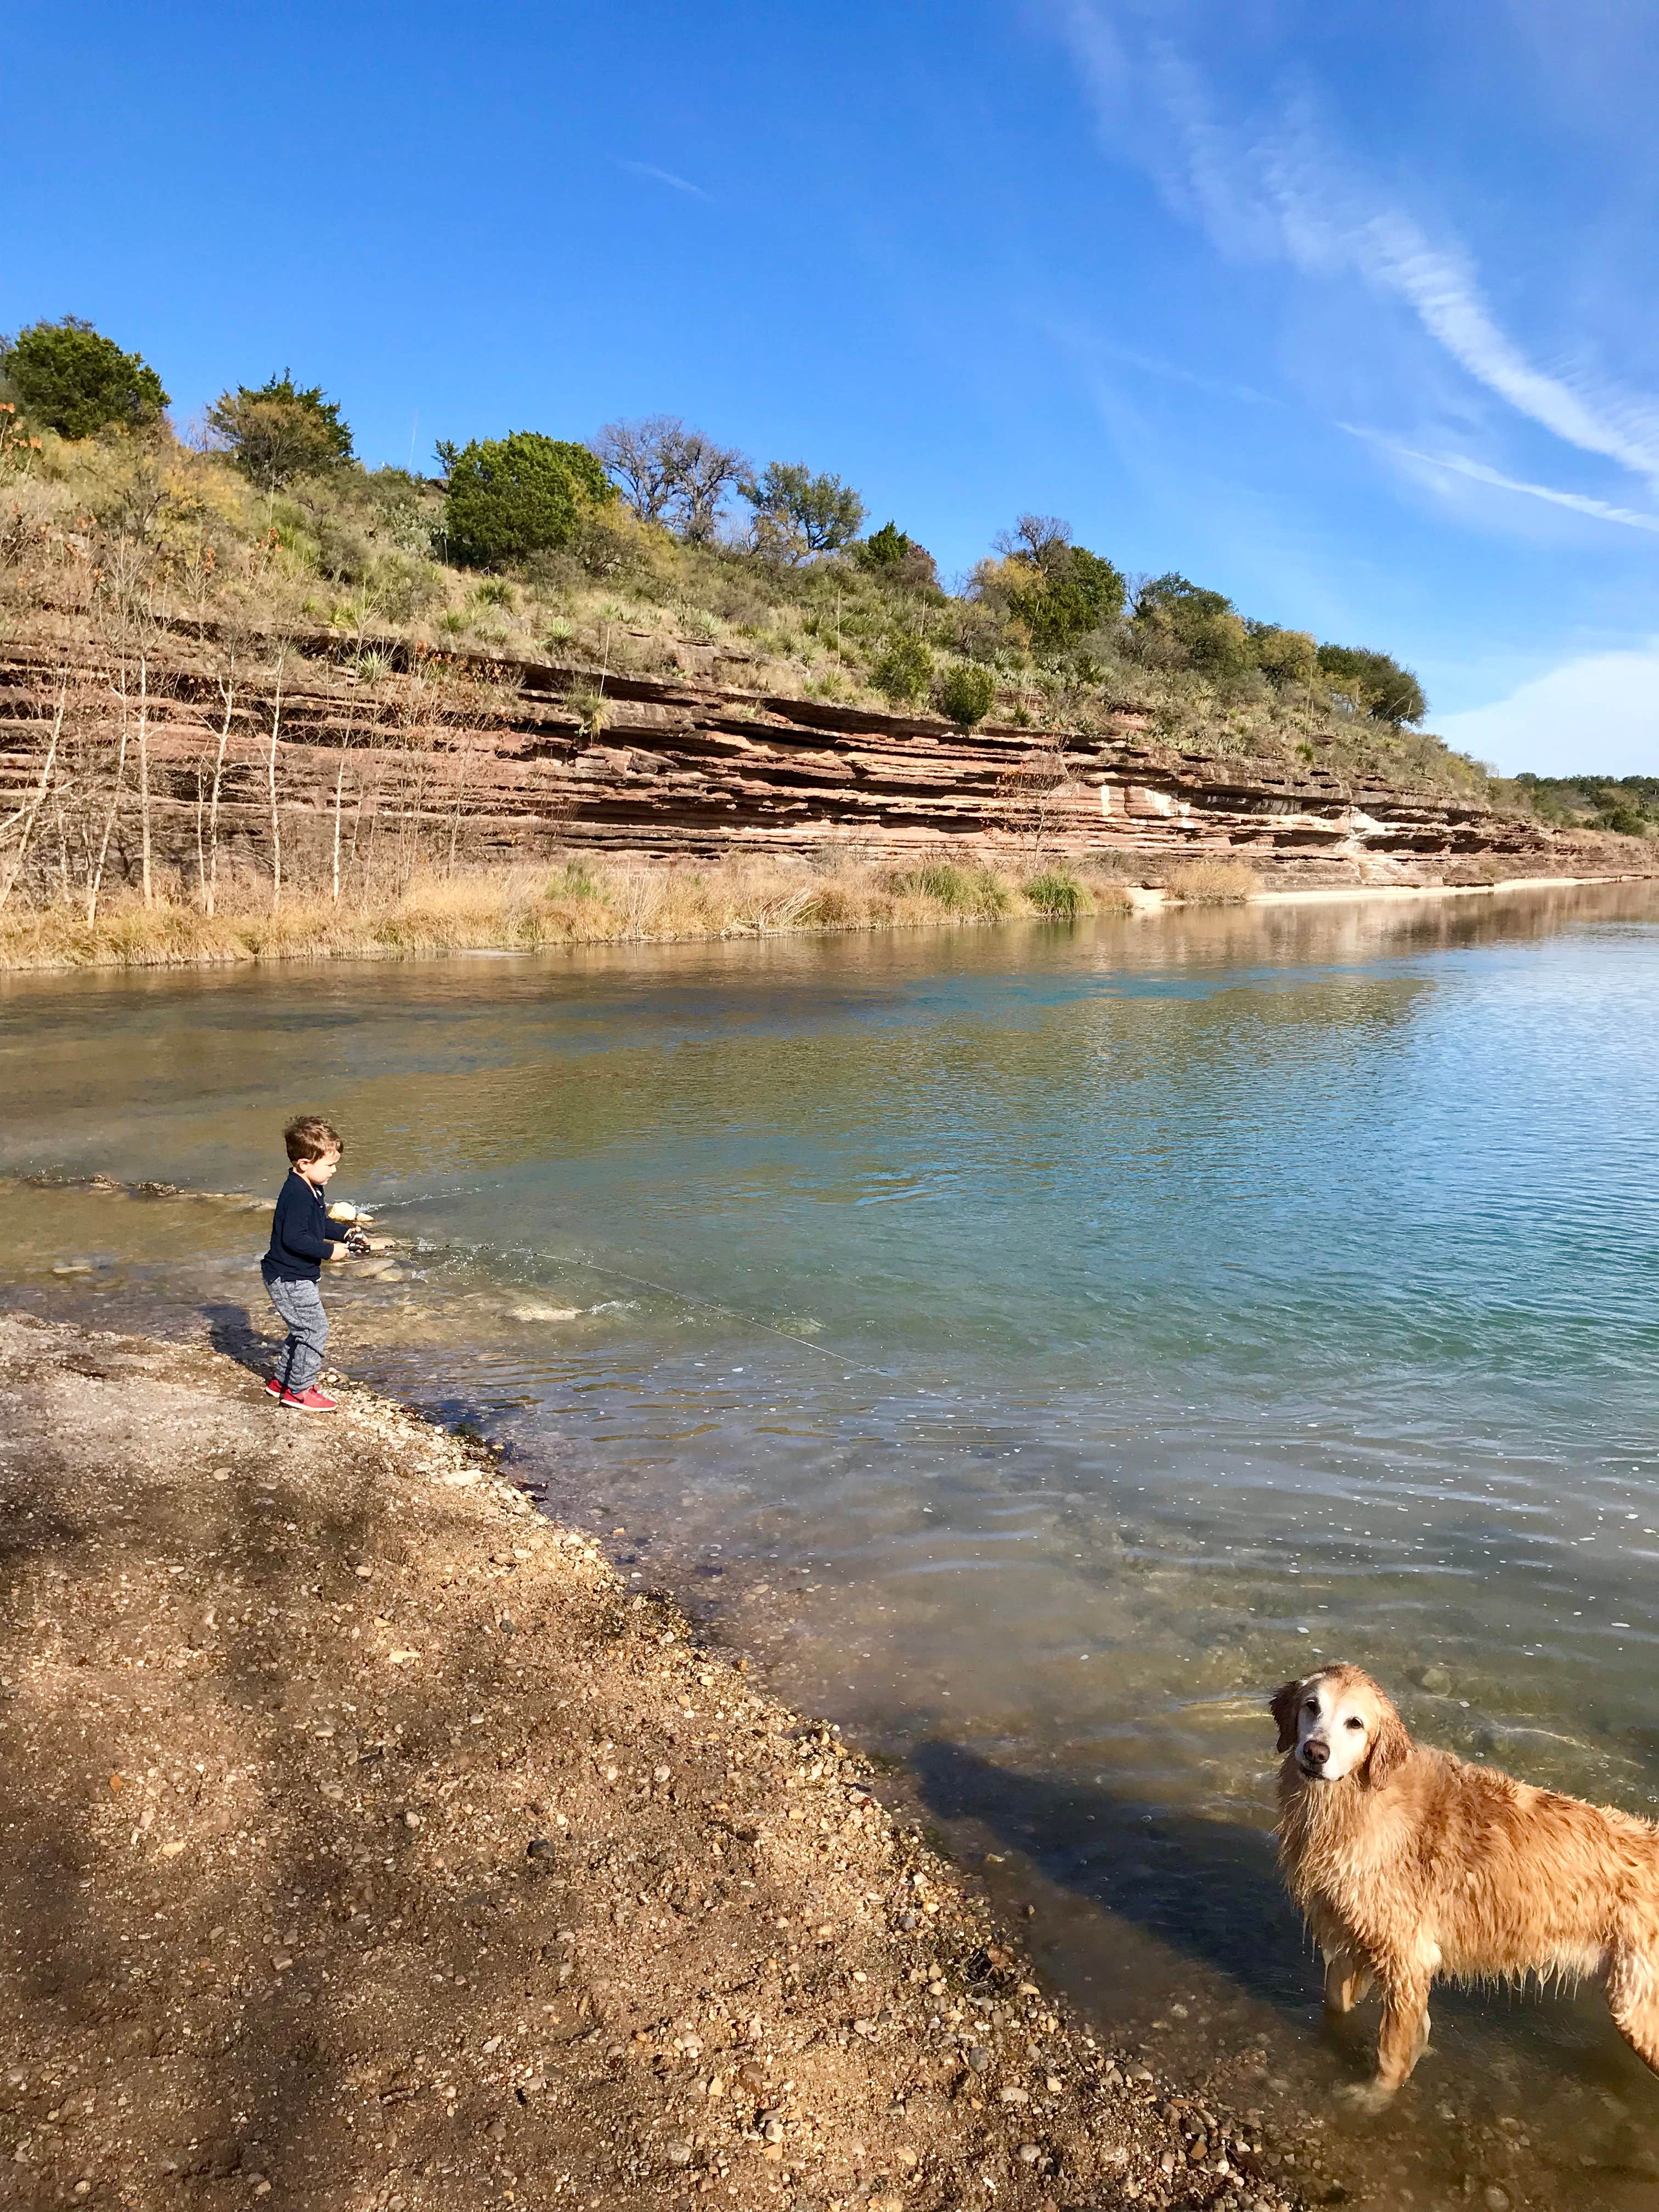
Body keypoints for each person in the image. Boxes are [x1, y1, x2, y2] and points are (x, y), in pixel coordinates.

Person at [262, 1114, 356, 1412]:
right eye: (329, 1165)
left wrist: (345, 1232)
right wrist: (330, 1252)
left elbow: (318, 1223)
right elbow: (295, 1239)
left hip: (296, 1274)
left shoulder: (312, 1187)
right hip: (288, 1277)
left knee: (303, 1329)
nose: (335, 1170)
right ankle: (299, 1392)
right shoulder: (297, 1194)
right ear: (305, 1163)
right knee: (315, 1330)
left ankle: (283, 1382)